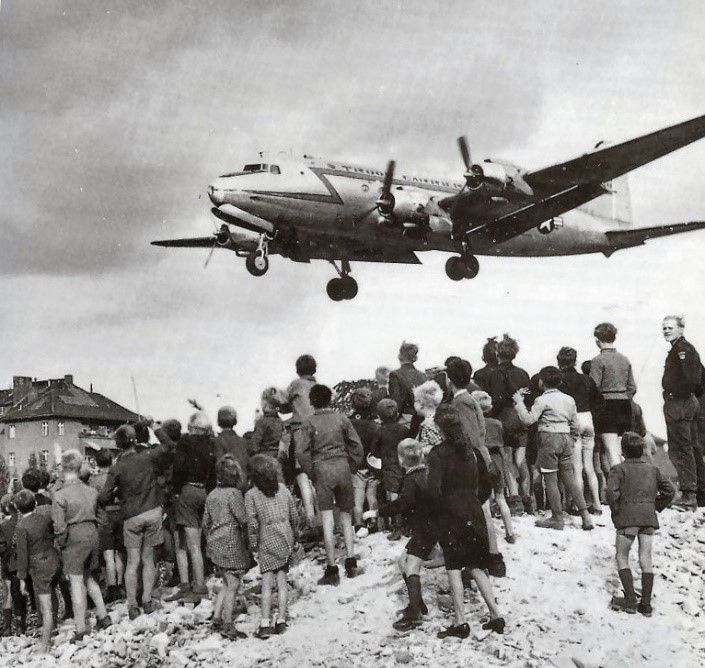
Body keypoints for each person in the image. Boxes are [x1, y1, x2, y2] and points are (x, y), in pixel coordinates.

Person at [429, 405, 504, 640]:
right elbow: (487, 484)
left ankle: (461, 621)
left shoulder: (438, 453)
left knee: (453, 567)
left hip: (451, 513)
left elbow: (434, 490)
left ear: (439, 427)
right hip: (474, 510)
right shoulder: (471, 450)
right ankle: (495, 614)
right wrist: (473, 500)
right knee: (476, 565)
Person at [99, 423, 174, 618]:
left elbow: (104, 497)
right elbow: (168, 445)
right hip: (152, 511)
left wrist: (117, 493)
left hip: (131, 516)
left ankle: (132, 604)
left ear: (118, 444)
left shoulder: (117, 468)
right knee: (149, 560)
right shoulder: (147, 457)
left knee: (132, 562)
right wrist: (154, 426)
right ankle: (147, 600)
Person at [513, 367, 594, 531]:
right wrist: (571, 439)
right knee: (569, 478)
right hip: (565, 438)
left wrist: (519, 403)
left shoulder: (541, 400)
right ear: (560, 381)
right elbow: (574, 423)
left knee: (550, 479)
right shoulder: (569, 399)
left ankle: (557, 518)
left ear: (541, 382)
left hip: (549, 438)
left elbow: (528, 420)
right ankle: (586, 516)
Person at [299, 384, 364, 584]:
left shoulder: (308, 422)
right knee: (346, 516)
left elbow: (301, 452)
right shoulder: (342, 418)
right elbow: (356, 445)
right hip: (342, 466)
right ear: (331, 400)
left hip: (322, 469)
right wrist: (351, 465)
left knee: (327, 518)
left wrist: (312, 472)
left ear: (311, 402)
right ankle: (351, 562)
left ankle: (332, 568)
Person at [606, 432, 675, 615]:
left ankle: (629, 599)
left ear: (623, 451)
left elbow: (611, 494)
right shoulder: (652, 469)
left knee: (622, 557)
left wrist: (616, 511)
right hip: (648, 519)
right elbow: (670, 491)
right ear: (642, 450)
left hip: (627, 519)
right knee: (646, 559)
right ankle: (645, 604)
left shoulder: (618, 469)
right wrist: (654, 507)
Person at [52, 449, 111, 642]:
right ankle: (103, 616)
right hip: (92, 533)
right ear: (79, 467)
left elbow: (59, 527)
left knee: (76, 582)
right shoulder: (91, 491)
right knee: (88, 576)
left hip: (74, 537)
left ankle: (81, 628)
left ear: (63, 468)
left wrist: (61, 545)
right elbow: (103, 518)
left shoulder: (60, 495)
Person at [378, 439, 436, 631]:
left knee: (411, 566)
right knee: (403, 562)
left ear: (401, 460)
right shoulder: (428, 474)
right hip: (431, 525)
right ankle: (417, 603)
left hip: (424, 529)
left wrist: (379, 512)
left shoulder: (410, 480)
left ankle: (415, 614)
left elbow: (403, 504)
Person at [245, 455, 299, 639]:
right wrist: (295, 536)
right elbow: (294, 515)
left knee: (267, 584)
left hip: (266, 539)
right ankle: (282, 620)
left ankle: (265, 622)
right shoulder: (283, 489)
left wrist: (252, 545)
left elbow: (252, 523)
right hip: (285, 536)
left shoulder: (251, 495)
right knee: (282, 581)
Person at [168, 411, 217, 601]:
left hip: (187, 491)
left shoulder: (185, 443)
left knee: (190, 544)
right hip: (204, 490)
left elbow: (178, 468)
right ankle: (199, 580)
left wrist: (177, 490)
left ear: (192, 427)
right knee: (200, 541)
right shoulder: (210, 444)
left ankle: (196, 585)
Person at [483, 335, 533, 515]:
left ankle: (514, 498)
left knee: (507, 460)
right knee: (521, 460)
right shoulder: (522, 373)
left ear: (498, 352)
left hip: (504, 417)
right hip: (521, 414)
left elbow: (497, 399)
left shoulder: (496, 373)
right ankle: (527, 497)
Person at [203, 455, 250, 640]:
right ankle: (228, 624)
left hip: (214, 543)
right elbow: (243, 519)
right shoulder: (234, 494)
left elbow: (205, 522)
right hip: (230, 542)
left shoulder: (212, 494)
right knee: (233, 584)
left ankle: (216, 619)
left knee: (225, 582)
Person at [661, 315, 705, 509]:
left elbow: (692, 380)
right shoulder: (681, 348)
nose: (666, 331)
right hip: (686, 402)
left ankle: (689, 495)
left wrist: (672, 395)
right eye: (664, 328)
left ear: (681, 329)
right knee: (692, 447)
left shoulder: (683, 350)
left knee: (681, 448)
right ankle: (698, 493)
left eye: (670, 328)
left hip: (681, 402)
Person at [13, 489, 61, 652]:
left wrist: (21, 579)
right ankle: (53, 625)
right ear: (35, 503)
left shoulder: (21, 527)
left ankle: (44, 644)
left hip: (38, 563)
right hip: (53, 557)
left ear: (18, 508)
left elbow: (23, 556)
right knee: (51, 592)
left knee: (44, 605)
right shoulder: (44, 518)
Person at [557, 347, 603, 513]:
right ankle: (597, 504)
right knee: (589, 466)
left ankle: (579, 504)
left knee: (577, 467)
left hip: (573, 420)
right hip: (588, 418)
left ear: (559, 360)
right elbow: (599, 401)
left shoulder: (560, 381)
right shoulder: (586, 379)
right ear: (575, 361)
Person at [590, 322, 637, 468]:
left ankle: (619, 487)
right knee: (621, 451)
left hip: (607, 407)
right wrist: (623, 397)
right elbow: (632, 387)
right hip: (624, 406)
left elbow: (593, 388)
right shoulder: (624, 359)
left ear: (597, 340)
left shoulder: (598, 360)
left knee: (611, 452)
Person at [472, 391, 515, 543]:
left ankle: (488, 536)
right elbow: (502, 446)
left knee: (485, 502)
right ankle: (510, 532)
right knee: (501, 497)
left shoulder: (475, 425)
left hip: (482, 459)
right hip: (497, 460)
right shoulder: (497, 424)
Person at [281, 354, 318, 526]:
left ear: (297, 370)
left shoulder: (296, 385)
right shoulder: (317, 386)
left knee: (301, 474)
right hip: (317, 431)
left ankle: (310, 518)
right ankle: (322, 519)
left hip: (300, 432)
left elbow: (282, 405)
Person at [88, 449, 124, 603]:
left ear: (96, 462)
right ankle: (122, 584)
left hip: (104, 518)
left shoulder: (93, 481)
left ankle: (112, 587)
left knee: (108, 556)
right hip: (120, 515)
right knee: (120, 553)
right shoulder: (118, 476)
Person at [373, 398, 410, 539]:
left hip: (389, 468)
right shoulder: (404, 429)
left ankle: (397, 528)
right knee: (405, 495)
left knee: (393, 498)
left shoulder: (380, 431)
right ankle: (406, 526)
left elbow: (375, 451)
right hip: (404, 465)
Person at [348, 387, 381, 537]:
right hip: (372, 465)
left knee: (357, 499)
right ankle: (373, 522)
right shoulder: (375, 424)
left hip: (356, 467)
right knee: (372, 496)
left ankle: (359, 525)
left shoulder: (349, 423)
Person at [0, 494, 26, 637]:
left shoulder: (3, 525)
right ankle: (20, 626)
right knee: (21, 594)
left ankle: (7, 627)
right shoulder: (22, 521)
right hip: (21, 562)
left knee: (8, 593)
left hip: (7, 562)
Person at [388, 342, 427, 425]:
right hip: (423, 418)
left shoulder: (395, 375)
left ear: (400, 356)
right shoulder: (423, 375)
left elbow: (396, 403)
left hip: (406, 420)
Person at [213, 406, 250, 486]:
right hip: (243, 483)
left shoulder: (217, 441)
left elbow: (218, 463)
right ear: (235, 421)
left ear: (218, 422)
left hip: (226, 483)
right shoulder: (243, 441)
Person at [250, 389, 285, 461]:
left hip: (265, 459)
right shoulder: (280, 421)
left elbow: (254, 446)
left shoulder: (261, 422)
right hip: (279, 458)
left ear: (264, 404)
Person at [413, 380, 444, 456]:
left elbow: (439, 447)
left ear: (421, 403)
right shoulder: (440, 418)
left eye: (415, 401)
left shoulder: (427, 425)